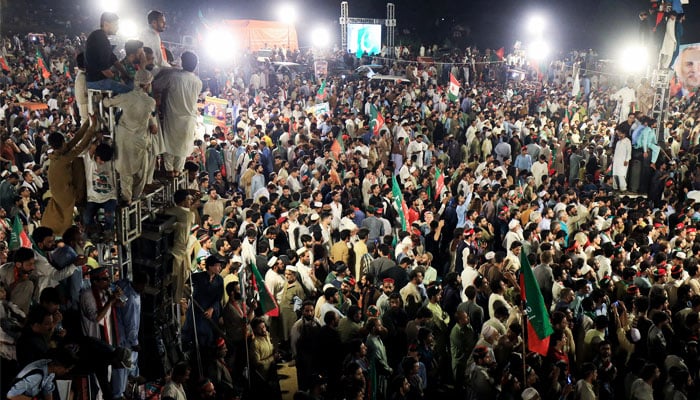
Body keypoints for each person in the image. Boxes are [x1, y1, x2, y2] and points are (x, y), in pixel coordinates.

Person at [103, 69, 158, 204]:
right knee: (141, 172)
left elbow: (106, 103)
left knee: (125, 172)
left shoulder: (126, 97)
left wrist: (104, 96)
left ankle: (126, 198)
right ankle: (136, 197)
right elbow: (152, 124)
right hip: (140, 139)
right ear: (146, 85)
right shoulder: (150, 102)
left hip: (124, 139)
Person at [41, 117, 96, 235]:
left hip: (62, 190)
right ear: (62, 143)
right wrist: (92, 128)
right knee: (78, 162)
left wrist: (87, 124)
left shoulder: (57, 155)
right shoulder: (62, 160)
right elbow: (79, 147)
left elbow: (75, 140)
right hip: (66, 195)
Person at [152, 51, 202, 175]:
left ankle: (169, 173)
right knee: (182, 150)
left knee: (169, 147)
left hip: (173, 117)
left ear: (182, 62)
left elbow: (156, 85)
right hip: (189, 120)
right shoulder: (198, 82)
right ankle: (177, 172)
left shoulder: (173, 76)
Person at [84, 12, 131, 94]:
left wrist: (125, 74)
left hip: (97, 80)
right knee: (131, 91)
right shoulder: (101, 39)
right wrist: (119, 80)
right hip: (97, 82)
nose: (118, 27)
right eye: (116, 24)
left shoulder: (100, 37)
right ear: (106, 24)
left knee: (130, 84)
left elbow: (113, 59)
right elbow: (105, 69)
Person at [6, 348, 78, 400]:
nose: (67, 371)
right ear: (58, 365)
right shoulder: (36, 377)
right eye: (67, 369)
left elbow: (47, 389)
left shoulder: (50, 369)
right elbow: (10, 395)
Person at [165, 189, 195, 303]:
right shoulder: (186, 214)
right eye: (188, 199)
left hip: (176, 250)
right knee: (178, 279)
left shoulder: (171, 211)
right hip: (179, 251)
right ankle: (175, 300)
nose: (190, 201)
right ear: (183, 201)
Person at [0, 247, 37, 314]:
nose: (33, 267)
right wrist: (19, 280)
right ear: (18, 264)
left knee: (28, 284)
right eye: (29, 264)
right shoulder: (3, 271)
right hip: (3, 305)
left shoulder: (32, 275)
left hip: (16, 308)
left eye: (33, 263)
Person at [612, 125, 632, 192]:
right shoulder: (618, 142)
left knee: (621, 175)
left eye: (620, 134)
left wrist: (627, 160)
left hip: (623, 161)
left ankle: (623, 188)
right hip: (616, 161)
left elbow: (629, 152)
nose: (619, 135)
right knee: (615, 174)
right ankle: (615, 187)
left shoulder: (627, 141)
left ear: (624, 134)